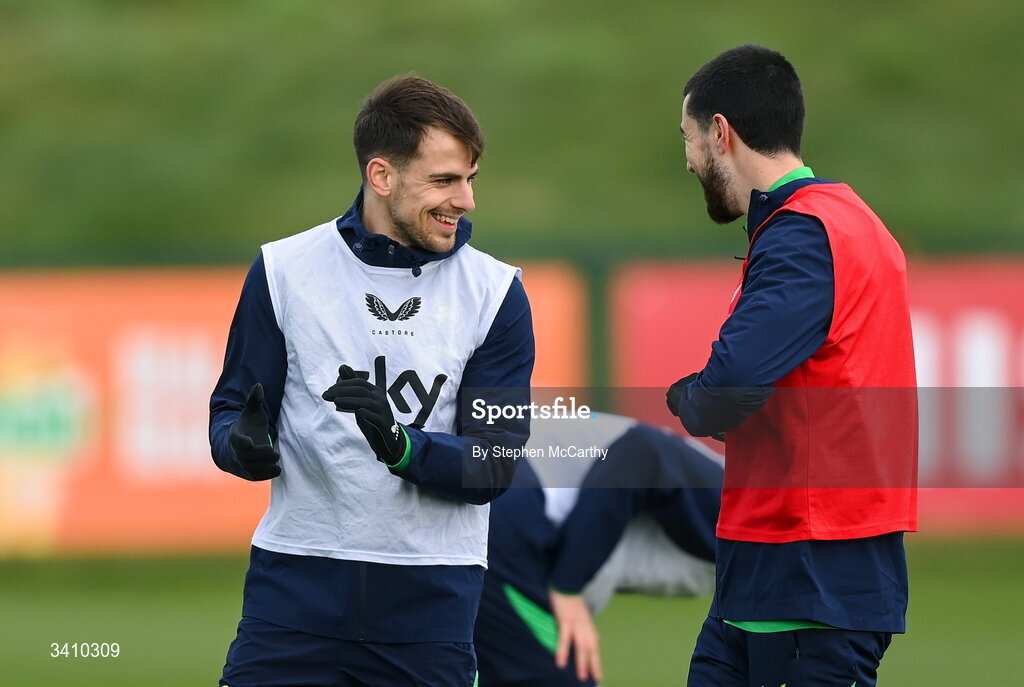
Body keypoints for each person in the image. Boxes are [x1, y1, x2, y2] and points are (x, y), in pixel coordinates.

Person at [209, 75, 535, 687]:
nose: (466, 200)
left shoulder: (496, 294)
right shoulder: (283, 270)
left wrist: (402, 445)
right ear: (382, 177)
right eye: (444, 180)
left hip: (429, 610)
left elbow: (494, 463)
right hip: (292, 597)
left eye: (469, 179)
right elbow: (230, 414)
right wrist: (244, 447)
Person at [665, 45, 917, 686]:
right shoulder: (848, 221)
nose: (689, 159)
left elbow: (727, 388)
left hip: (806, 571)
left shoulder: (804, 233)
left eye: (689, 139)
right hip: (778, 566)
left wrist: (686, 397)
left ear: (720, 133)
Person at [475, 414, 723, 687]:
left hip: (499, 492)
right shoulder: (757, 507)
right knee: (559, 677)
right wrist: (568, 585)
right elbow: (643, 453)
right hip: (507, 493)